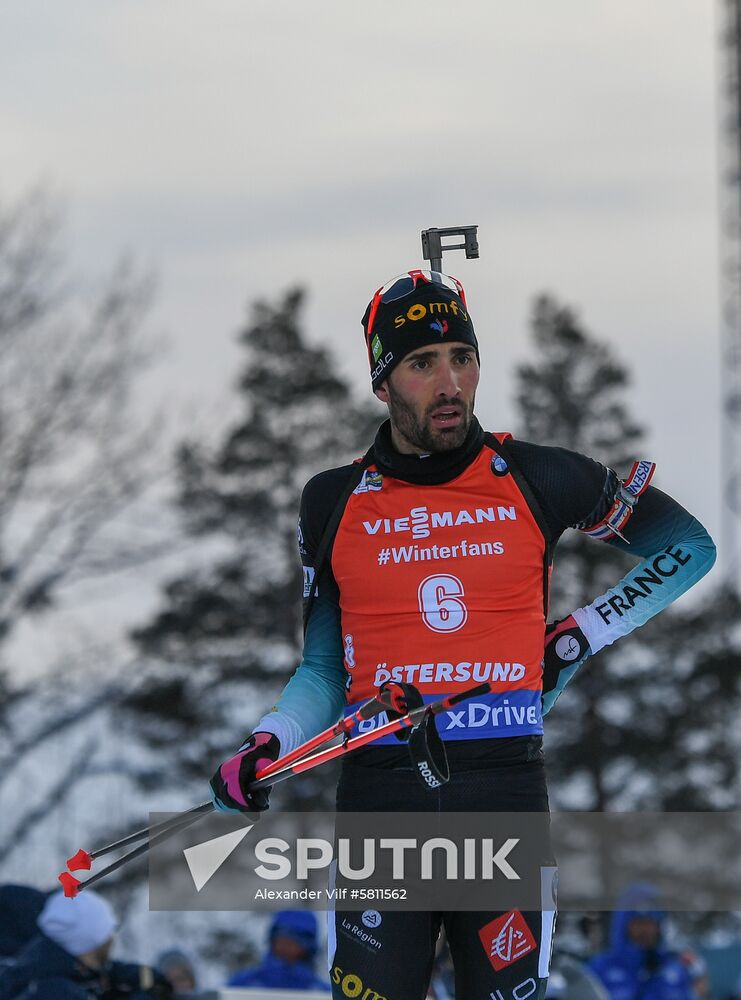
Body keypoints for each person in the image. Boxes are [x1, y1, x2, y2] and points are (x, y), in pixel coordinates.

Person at [209, 269, 716, 998]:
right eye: (422, 363)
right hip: (381, 803)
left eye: (462, 358)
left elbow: (688, 548)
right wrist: (268, 743)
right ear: (383, 383)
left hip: (502, 793)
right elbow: (323, 671)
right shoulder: (333, 499)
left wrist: (575, 636)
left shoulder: (536, 475)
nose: (449, 382)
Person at [0, 889, 171, 999]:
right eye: (106, 933)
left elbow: (111, 972)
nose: (111, 939)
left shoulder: (62, 964)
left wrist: (155, 979)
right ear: (89, 942)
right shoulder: (52, 991)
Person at [588, 885, 696, 1000]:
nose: (645, 930)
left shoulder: (674, 970)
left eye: (650, 923)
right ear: (624, 925)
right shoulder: (600, 969)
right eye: (638, 923)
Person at [226, 910, 330, 991]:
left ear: (308, 947)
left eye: (293, 942)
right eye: (281, 941)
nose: (285, 947)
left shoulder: (322, 991)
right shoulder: (243, 985)